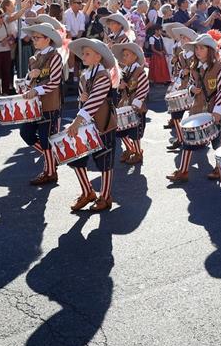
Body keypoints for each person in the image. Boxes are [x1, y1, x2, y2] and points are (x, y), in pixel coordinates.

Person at [166, 33, 221, 184]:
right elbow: (189, 84)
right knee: (188, 140)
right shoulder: (194, 67)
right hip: (197, 108)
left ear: (210, 50)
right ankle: (183, 171)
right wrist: (192, 89)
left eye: (202, 48)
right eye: (196, 48)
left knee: (219, 141)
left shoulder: (219, 67)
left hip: (214, 109)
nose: (198, 51)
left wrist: (218, 110)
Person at [65, 38, 119, 212]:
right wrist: (80, 116)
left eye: (87, 53)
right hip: (87, 125)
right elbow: (83, 103)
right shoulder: (84, 76)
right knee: (76, 158)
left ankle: (105, 197)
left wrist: (77, 121)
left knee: (105, 162)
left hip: (104, 124)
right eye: (83, 53)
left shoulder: (103, 76)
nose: (83, 56)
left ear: (98, 57)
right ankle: (88, 191)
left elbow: (94, 101)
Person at [16, 23, 65, 186]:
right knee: (26, 134)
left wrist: (37, 90)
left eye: (37, 38)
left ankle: (50, 172)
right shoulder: (33, 58)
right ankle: (51, 158)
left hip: (50, 104)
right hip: (33, 106)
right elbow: (29, 83)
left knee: (46, 139)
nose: (33, 40)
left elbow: (55, 82)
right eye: (33, 38)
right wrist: (29, 79)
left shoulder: (55, 57)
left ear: (47, 39)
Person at [113, 41, 150, 165]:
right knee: (121, 130)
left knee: (135, 132)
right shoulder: (124, 71)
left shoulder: (140, 71)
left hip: (136, 107)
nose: (124, 57)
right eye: (123, 55)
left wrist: (137, 102)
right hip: (125, 104)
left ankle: (138, 153)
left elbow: (144, 88)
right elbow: (119, 87)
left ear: (135, 56)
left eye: (127, 55)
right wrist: (120, 86)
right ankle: (130, 148)